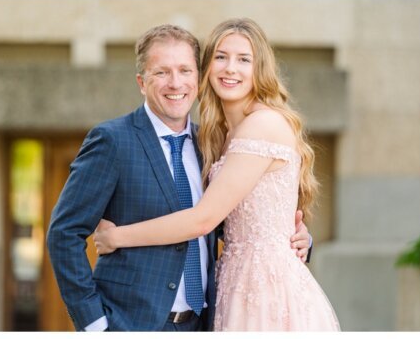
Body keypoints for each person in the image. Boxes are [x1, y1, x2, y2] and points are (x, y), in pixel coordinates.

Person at [46, 24, 314, 332]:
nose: (175, 83)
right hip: (129, 323)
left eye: (185, 70)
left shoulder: (210, 145)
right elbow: (63, 233)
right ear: (141, 83)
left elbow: (232, 221)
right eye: (161, 73)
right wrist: (94, 323)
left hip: (205, 321)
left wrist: (296, 238)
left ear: (198, 80)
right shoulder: (112, 141)